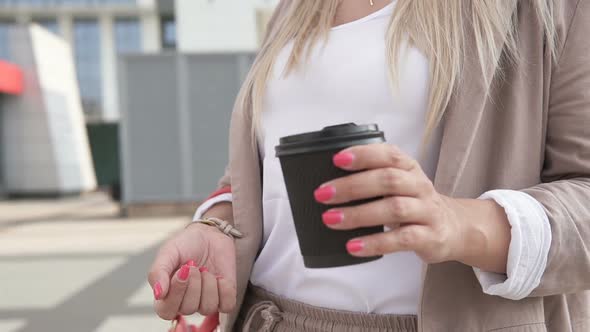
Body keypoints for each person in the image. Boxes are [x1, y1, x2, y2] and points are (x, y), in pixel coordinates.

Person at [148, 0, 590, 331]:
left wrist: (461, 223)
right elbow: (267, 166)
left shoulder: (551, 9)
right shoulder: (297, 6)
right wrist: (219, 225)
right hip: (268, 317)